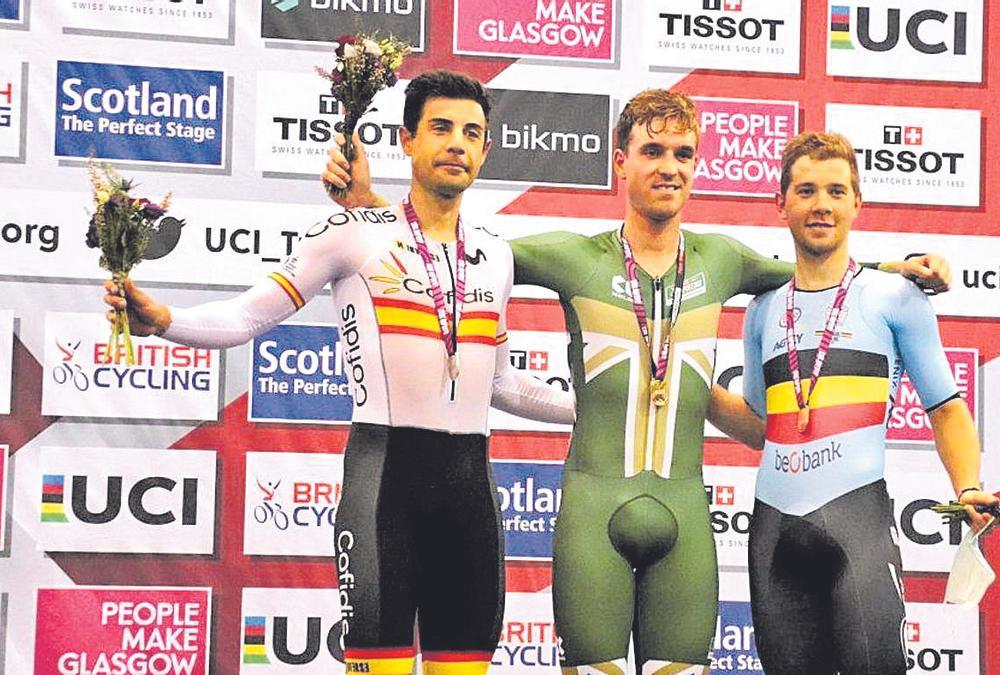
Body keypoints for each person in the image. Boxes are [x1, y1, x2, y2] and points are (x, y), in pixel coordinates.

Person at [324, 90, 952, 675]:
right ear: (621, 163)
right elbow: (452, 246)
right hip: (593, 514)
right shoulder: (572, 256)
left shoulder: (724, 260)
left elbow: (817, 265)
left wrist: (898, 268)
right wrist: (373, 208)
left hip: (684, 516)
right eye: (652, 152)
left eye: (683, 154)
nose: (668, 167)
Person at [103, 70, 575, 675]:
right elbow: (248, 317)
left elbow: (504, 384)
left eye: (472, 132)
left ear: (486, 150)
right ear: (406, 140)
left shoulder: (494, 253)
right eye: (440, 127)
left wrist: (598, 409)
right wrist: (164, 319)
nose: (456, 142)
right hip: (385, 484)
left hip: (469, 492)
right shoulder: (352, 234)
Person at [731, 131, 998, 674]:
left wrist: (967, 485)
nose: (821, 205)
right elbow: (763, 426)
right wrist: (692, 390)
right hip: (772, 531)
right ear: (780, 204)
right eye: (805, 191)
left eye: (835, 191)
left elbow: (945, 407)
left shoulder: (896, 298)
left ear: (857, 203)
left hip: (857, 520)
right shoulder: (761, 311)